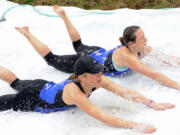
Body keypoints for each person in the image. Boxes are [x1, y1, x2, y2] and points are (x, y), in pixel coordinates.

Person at [15, 5, 180, 91]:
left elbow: (166, 58)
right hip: (88, 60)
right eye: (143, 37)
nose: (147, 39)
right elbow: (154, 74)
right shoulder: (129, 58)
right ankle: (26, 34)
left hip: (99, 52)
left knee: (78, 45)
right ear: (131, 43)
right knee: (52, 59)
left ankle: (64, 16)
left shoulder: (142, 47)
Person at [0, 55, 175, 134]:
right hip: (31, 98)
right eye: (96, 73)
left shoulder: (97, 80)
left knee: (15, 82)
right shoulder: (75, 93)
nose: (101, 75)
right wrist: (136, 125)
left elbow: (124, 91)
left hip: (44, 85)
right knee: (12, 91)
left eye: (100, 71)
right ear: (83, 77)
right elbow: (104, 117)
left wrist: (152, 103)